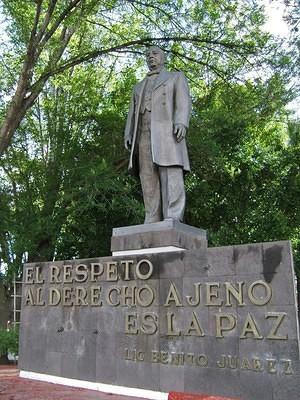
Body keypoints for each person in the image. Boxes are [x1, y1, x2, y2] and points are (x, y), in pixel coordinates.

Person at [124, 46, 191, 223]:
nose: (150, 57)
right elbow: (132, 113)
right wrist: (128, 133)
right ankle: (151, 217)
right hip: (143, 136)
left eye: (155, 53)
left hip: (167, 133)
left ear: (163, 57)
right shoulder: (138, 87)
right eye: (147, 55)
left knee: (171, 173)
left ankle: (173, 216)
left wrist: (181, 122)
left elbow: (183, 101)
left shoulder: (175, 77)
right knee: (147, 176)